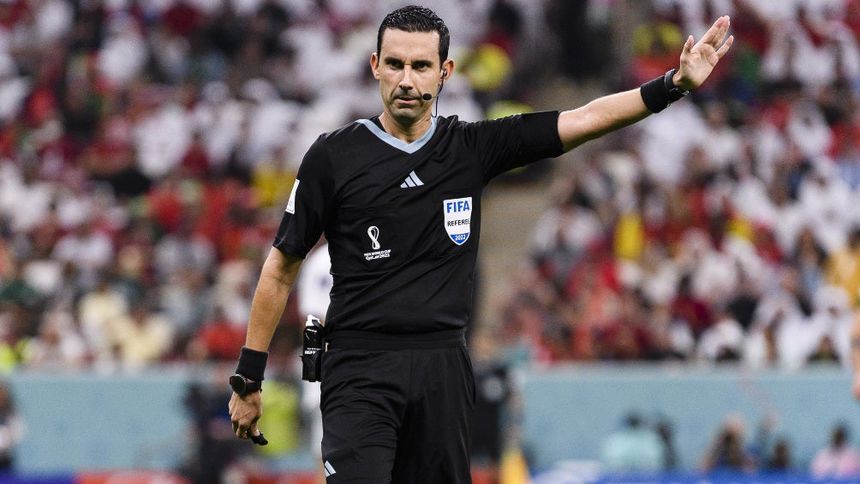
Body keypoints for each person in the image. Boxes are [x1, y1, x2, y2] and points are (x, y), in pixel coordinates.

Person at [228, 5, 733, 483]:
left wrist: (671, 85)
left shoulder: (470, 147)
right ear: (375, 65)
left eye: (421, 66)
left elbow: (582, 119)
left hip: (443, 368)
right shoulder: (333, 157)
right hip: (359, 366)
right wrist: (249, 378)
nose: (407, 80)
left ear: (444, 72)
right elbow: (280, 268)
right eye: (396, 64)